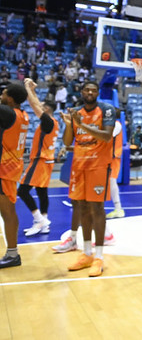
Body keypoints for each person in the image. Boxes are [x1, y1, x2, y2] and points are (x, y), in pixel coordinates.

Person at [60, 80, 115, 277]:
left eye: (94, 89)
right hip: (79, 166)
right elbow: (68, 143)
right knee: (81, 207)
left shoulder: (106, 110)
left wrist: (81, 124)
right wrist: (70, 124)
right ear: (82, 92)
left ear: (97, 93)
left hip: (98, 166)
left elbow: (106, 136)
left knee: (96, 208)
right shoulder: (76, 112)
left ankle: (99, 256)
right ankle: (87, 254)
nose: (90, 92)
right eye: (87, 89)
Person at [18, 79, 59, 236]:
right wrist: (33, 90)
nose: (39, 105)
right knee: (42, 192)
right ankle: (45, 223)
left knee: (22, 191)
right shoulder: (52, 121)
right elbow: (36, 103)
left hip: (40, 160)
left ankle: (39, 219)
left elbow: (34, 105)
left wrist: (27, 87)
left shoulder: (48, 121)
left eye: (43, 106)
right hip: (47, 160)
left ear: (47, 109)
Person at [0, 83, 29, 268]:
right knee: (7, 211)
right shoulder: (22, 115)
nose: (1, 95)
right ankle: (12, 253)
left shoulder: (8, 113)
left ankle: (13, 254)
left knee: (8, 212)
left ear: (10, 98)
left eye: (3, 93)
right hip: (11, 167)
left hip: (5, 170)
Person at [106, 113, 125, 219]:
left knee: (112, 182)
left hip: (114, 157)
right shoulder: (110, 124)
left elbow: (107, 136)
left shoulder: (117, 125)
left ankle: (118, 209)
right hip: (107, 157)